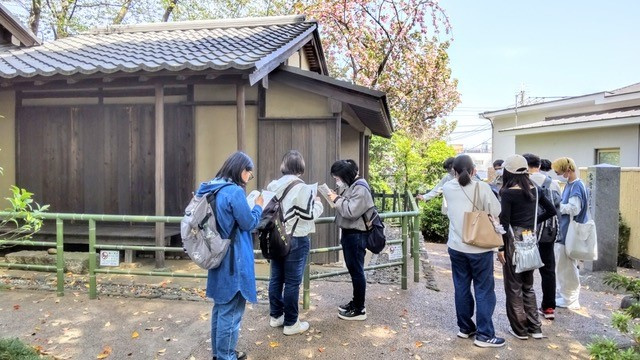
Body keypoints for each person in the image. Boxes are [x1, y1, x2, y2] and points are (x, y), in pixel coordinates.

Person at [195, 151, 263, 360]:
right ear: (241, 170)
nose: (248, 178)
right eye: (248, 174)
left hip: (217, 253)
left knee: (221, 308)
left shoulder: (212, 187)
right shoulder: (234, 192)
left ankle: (220, 353)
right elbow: (249, 223)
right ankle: (226, 356)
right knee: (232, 312)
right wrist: (259, 206)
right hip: (234, 258)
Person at [442, 154, 505, 348]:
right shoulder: (481, 187)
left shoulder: (447, 187)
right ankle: (485, 334)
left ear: (453, 170)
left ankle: (465, 328)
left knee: (461, 287)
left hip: (455, 246)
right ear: (473, 170)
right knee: (484, 289)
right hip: (478, 247)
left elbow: (446, 211)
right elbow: (496, 211)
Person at [497, 154, 556, 341]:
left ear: (508, 171)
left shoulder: (507, 193)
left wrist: (499, 248)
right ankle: (535, 328)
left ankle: (520, 329)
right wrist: (533, 223)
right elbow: (552, 210)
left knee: (514, 286)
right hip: (530, 239)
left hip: (513, 242)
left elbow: (504, 224)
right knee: (528, 285)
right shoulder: (535, 189)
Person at [266, 150, 324, 335]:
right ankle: (291, 323)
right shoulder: (303, 188)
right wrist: (318, 203)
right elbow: (308, 215)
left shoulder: (273, 185)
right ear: (300, 167)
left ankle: (276, 316)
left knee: (276, 278)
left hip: (276, 237)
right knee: (292, 282)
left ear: (284, 166)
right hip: (296, 238)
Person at [327, 159, 374, 321]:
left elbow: (350, 211)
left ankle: (359, 309)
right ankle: (355, 303)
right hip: (350, 234)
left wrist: (336, 199)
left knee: (357, 272)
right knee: (355, 271)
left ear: (345, 175)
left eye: (337, 177)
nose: (336, 180)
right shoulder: (353, 186)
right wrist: (338, 198)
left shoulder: (360, 188)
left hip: (356, 235)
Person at [523, 153, 561, 320]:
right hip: (548, 232)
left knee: (526, 269)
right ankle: (549, 307)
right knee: (548, 271)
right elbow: (557, 207)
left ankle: (526, 309)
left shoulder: (523, 183)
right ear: (538, 165)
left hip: (527, 232)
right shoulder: (553, 183)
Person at [552, 157, 588, 310]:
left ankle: (570, 299)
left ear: (567, 169)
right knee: (564, 265)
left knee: (566, 266)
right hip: (566, 231)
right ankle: (565, 296)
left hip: (568, 232)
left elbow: (575, 209)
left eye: (560, 172)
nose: (559, 175)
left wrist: (557, 205)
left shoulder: (576, 186)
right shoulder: (571, 184)